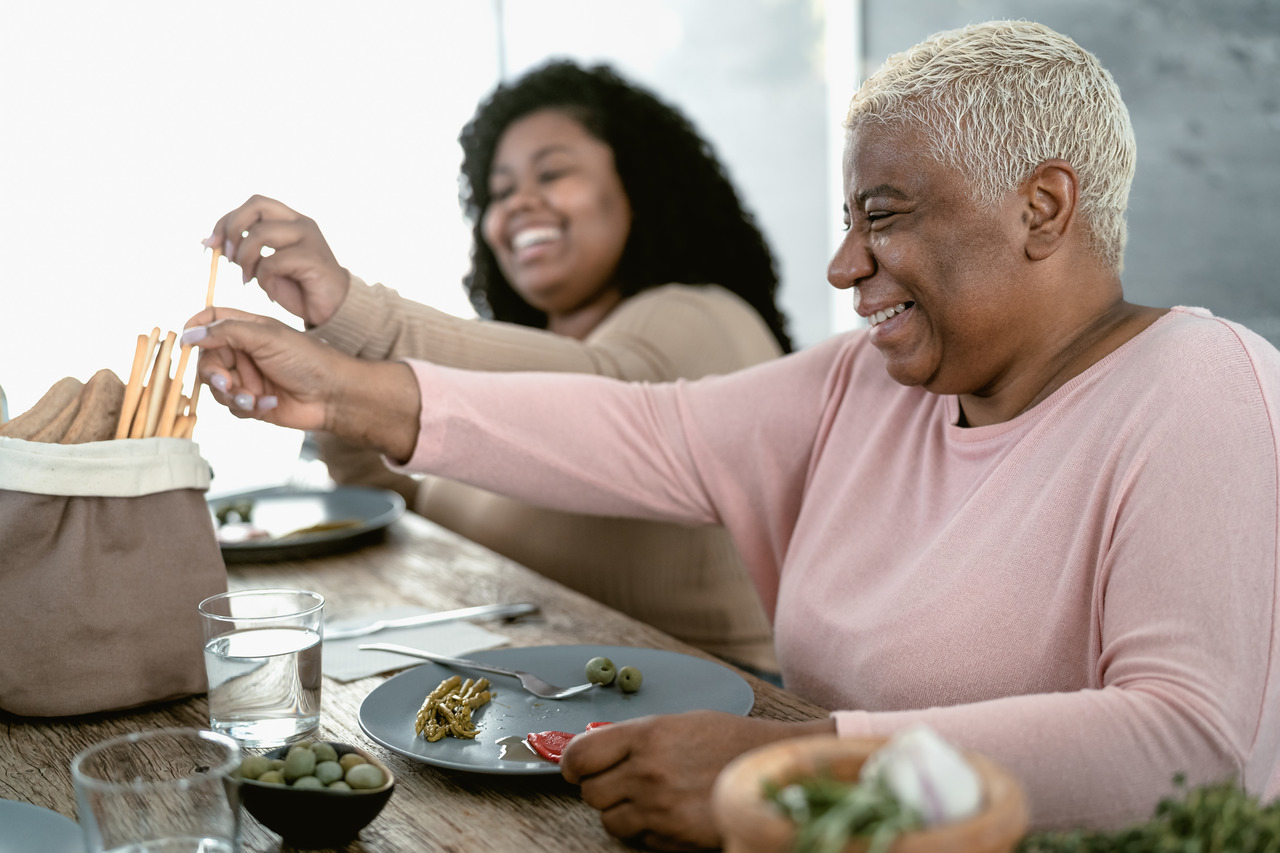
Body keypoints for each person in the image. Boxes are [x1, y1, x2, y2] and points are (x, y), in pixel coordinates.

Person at [184, 20, 1280, 849]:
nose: (842, 266)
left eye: (884, 214)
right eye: (846, 220)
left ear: (1042, 208)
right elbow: (640, 426)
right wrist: (335, 396)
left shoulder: (1196, 386)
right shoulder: (868, 384)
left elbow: (1185, 745)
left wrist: (796, 762)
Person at [203, 60, 794, 675]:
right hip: (540, 699)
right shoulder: (511, 356)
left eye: (552, 173)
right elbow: (407, 505)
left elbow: (609, 397)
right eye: (500, 190)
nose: (520, 204)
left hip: (721, 713)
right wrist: (332, 371)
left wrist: (353, 311)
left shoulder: (703, 315)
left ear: (640, 185)